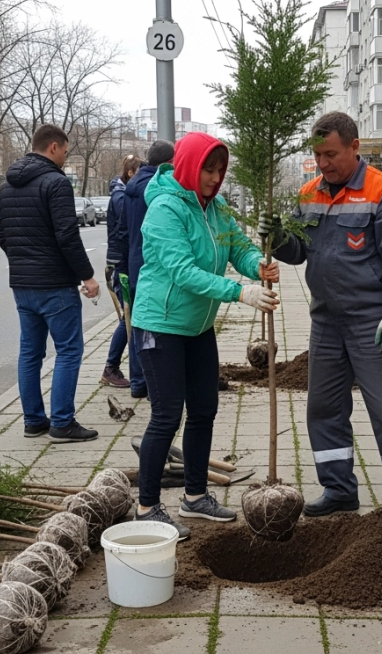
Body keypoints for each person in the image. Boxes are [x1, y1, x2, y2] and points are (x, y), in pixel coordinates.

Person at [259, 111, 382, 528]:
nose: (323, 163)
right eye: (317, 155)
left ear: (355, 147)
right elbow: (299, 251)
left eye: (331, 154)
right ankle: (338, 490)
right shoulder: (310, 192)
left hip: (373, 322)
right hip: (326, 322)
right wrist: (276, 236)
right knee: (323, 408)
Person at [131, 132, 280, 538]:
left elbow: (239, 248)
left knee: (204, 409)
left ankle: (195, 498)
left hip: (197, 327)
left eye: (220, 170)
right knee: (166, 416)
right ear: (189, 168)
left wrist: (257, 267)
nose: (215, 178)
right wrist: (240, 292)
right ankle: (146, 508)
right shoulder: (164, 209)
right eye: (208, 170)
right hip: (159, 326)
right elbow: (182, 271)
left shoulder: (216, 209)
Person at [0, 124, 101, 443]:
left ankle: (33, 421)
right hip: (55, 284)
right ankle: (62, 423)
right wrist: (87, 276)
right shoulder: (56, 183)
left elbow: (2, 235)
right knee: (69, 350)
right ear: (53, 147)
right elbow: (67, 237)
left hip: (23, 284)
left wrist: (22, 261)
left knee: (30, 352)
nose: (65, 158)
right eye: (65, 152)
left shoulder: (7, 187)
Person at [115, 140, 175, 399]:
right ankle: (154, 386)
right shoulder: (159, 190)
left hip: (134, 264)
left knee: (137, 325)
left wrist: (120, 267)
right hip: (155, 267)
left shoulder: (131, 188)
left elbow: (122, 231)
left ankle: (138, 382)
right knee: (156, 328)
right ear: (169, 163)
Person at [101, 155, 143, 388]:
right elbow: (126, 230)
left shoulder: (123, 194)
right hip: (121, 265)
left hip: (123, 263)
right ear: (130, 174)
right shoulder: (121, 197)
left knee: (129, 316)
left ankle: (112, 367)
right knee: (127, 317)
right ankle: (111, 367)